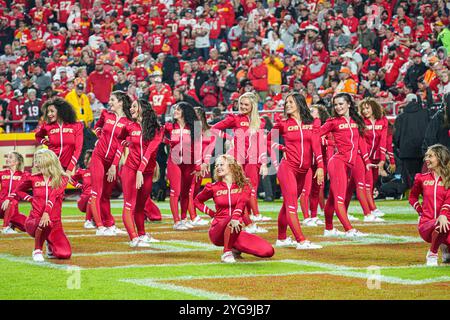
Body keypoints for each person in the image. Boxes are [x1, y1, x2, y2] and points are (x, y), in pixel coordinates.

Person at [267, 93, 323, 249]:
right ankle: (301, 240)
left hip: (304, 171)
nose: (287, 105)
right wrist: (281, 148)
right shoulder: (282, 123)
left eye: (291, 102)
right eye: (286, 103)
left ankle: (281, 238)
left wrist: (320, 166)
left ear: (300, 103)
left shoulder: (314, 122)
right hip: (288, 168)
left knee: (287, 205)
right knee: (292, 205)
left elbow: (316, 145)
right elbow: (268, 140)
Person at [194, 154, 275, 263]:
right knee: (231, 218)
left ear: (231, 167)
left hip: (236, 229)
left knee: (268, 251)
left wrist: (235, 217)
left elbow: (241, 204)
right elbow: (197, 201)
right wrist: (212, 214)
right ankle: (226, 252)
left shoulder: (244, 185)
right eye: (217, 165)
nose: (218, 167)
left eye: (222, 164)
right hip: (217, 230)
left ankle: (234, 248)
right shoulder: (213, 187)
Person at [212, 92, 271, 233]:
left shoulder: (261, 122)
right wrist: (228, 137)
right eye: (241, 104)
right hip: (238, 160)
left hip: (253, 159)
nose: (243, 107)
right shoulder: (235, 118)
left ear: (253, 106)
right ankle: (248, 222)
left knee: (251, 190)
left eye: (246, 104)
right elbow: (214, 129)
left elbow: (262, 143)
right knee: (240, 192)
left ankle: (248, 219)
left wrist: (263, 163)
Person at [320, 93, 373, 237]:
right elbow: (315, 135)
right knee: (340, 198)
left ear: (349, 104)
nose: (338, 107)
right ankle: (349, 230)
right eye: (335, 104)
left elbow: (361, 141)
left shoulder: (357, 120)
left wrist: (366, 161)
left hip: (349, 163)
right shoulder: (333, 122)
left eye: (341, 104)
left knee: (332, 198)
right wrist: (329, 143)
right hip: (337, 162)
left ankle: (329, 229)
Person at [7, 149, 70, 262]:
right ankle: (37, 250)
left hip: (55, 224)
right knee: (44, 223)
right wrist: (30, 199)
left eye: (38, 160)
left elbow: (53, 196)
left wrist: (46, 213)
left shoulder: (62, 178)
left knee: (64, 254)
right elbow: (18, 190)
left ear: (47, 161)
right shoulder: (33, 178)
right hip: (34, 221)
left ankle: (49, 243)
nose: (36, 164)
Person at [90, 91, 133, 236]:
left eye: (112, 100)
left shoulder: (128, 122)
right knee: (96, 192)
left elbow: (122, 145)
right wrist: (100, 136)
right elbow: (97, 127)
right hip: (98, 157)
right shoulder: (105, 115)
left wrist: (114, 165)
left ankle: (109, 224)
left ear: (120, 102)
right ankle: (100, 227)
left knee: (106, 194)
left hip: (112, 162)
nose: (110, 102)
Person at [120, 99, 162, 247]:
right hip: (130, 169)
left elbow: (150, 150)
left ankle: (142, 235)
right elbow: (120, 138)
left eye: (134, 106)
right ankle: (133, 238)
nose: (131, 109)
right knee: (129, 204)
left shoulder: (156, 128)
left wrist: (141, 170)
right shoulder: (129, 125)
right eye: (130, 106)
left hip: (146, 171)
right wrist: (127, 141)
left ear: (143, 109)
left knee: (140, 205)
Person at [409, 144, 450, 266]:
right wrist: (420, 211)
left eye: (430, 156)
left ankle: (445, 250)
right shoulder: (421, 178)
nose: (426, 159)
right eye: (426, 156)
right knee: (442, 223)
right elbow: (412, 197)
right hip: (427, 224)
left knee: (444, 223)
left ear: (440, 158)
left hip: (446, 223)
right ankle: (432, 254)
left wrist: (443, 215)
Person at [164, 102, 202, 230]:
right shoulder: (169, 126)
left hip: (189, 162)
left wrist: (198, 165)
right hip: (174, 161)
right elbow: (159, 138)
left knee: (186, 192)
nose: (175, 111)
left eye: (178, 110)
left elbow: (198, 147)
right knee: (175, 191)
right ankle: (176, 221)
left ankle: (184, 218)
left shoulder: (195, 127)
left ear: (185, 112)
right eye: (174, 109)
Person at [35, 97, 84, 176]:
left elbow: (78, 149)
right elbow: (38, 136)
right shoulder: (47, 126)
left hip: (68, 167)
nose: (49, 114)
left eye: (52, 111)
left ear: (61, 111)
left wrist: (69, 170)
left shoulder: (76, 126)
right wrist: (48, 143)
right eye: (48, 112)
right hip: (51, 167)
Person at [299, 104, 330, 226]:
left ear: (319, 114)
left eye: (313, 111)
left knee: (316, 191)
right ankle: (306, 217)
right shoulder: (304, 124)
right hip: (306, 162)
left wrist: (324, 141)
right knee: (305, 190)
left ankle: (314, 215)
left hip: (319, 162)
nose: (309, 112)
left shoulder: (325, 128)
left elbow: (334, 142)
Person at [359, 98, 389, 220]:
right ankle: (372, 208)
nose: (365, 111)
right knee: (368, 183)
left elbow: (383, 141)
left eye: (367, 108)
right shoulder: (361, 121)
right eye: (363, 109)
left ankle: (370, 208)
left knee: (372, 183)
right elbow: (361, 141)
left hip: (376, 158)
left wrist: (382, 160)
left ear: (373, 108)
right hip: (362, 157)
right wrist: (366, 159)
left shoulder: (383, 121)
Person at [393, 94, 430, 188]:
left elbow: (396, 136)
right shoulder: (426, 114)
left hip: (406, 152)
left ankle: (413, 194)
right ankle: (424, 192)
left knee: (410, 177)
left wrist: (399, 147)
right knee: (424, 174)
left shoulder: (401, 117)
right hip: (423, 151)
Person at [187, 107, 215, 227]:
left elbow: (211, 147)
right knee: (191, 190)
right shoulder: (191, 130)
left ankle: (192, 215)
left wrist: (206, 162)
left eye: (197, 115)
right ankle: (192, 216)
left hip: (203, 163)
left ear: (202, 116)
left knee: (195, 191)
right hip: (192, 162)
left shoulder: (210, 130)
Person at [0, 151, 30, 234]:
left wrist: (8, 199)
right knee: (12, 202)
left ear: (16, 162)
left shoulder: (24, 175)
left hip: (13, 210)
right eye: (7, 157)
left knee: (29, 227)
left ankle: (11, 223)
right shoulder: (2, 173)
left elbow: (18, 190)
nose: (7, 159)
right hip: (1, 204)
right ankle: (5, 227)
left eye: (10, 157)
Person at [70, 150, 95, 229]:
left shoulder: (99, 171)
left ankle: (95, 219)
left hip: (96, 200)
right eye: (85, 158)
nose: (85, 160)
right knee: (92, 194)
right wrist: (77, 185)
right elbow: (70, 179)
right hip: (84, 200)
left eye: (87, 158)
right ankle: (88, 221)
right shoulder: (82, 171)